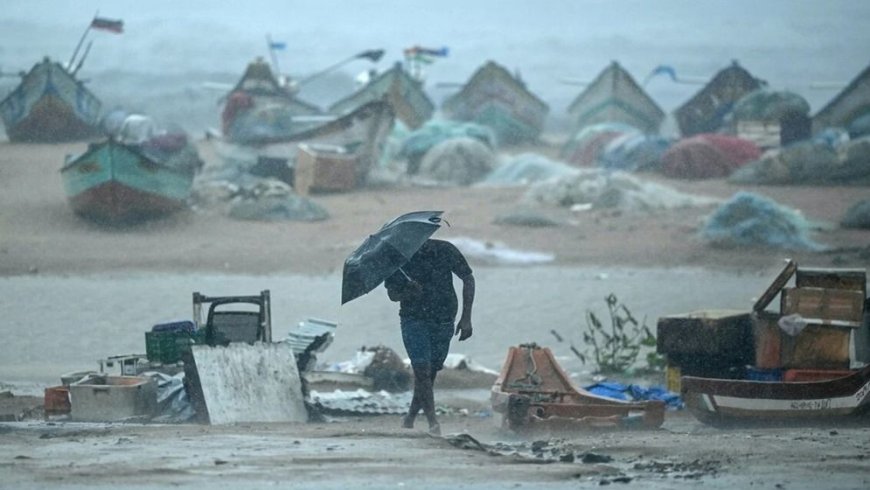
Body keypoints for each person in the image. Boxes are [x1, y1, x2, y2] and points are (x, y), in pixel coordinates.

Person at [384, 238, 474, 435]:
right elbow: (392, 294)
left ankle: (410, 417)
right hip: (413, 319)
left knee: (430, 373)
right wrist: (407, 292)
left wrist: (466, 317)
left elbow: (468, 277)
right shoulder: (396, 260)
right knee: (422, 371)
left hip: (444, 319)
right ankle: (433, 422)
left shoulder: (445, 250)